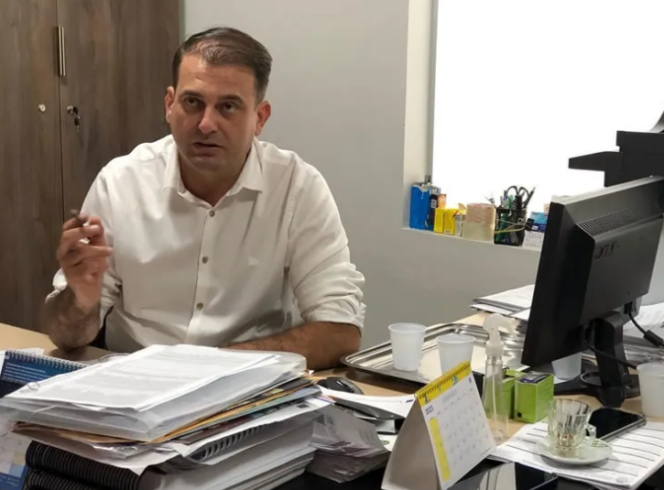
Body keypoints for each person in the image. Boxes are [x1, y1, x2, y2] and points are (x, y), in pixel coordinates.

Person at [42, 27, 365, 370]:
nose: (207, 124)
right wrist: (81, 300)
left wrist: (214, 367)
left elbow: (340, 330)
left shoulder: (296, 188)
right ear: (170, 105)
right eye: (193, 102)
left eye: (228, 106)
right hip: (137, 382)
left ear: (259, 118)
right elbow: (66, 337)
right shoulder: (121, 182)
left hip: (246, 384)